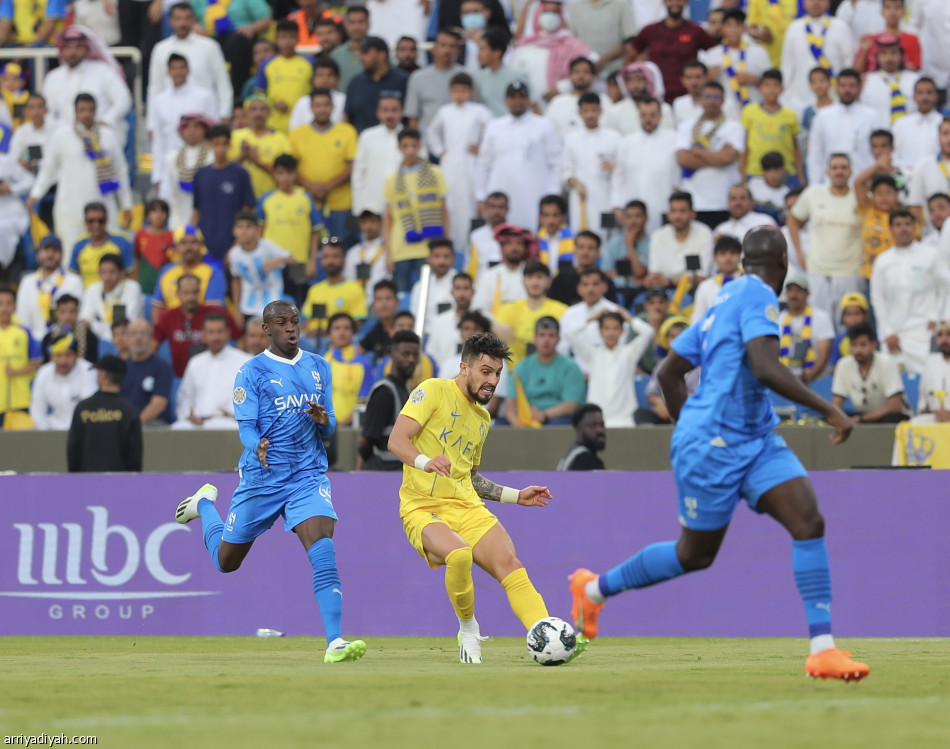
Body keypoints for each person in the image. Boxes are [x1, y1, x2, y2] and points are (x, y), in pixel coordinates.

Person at [569, 225, 870, 682]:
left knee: (808, 521)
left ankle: (823, 650)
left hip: (756, 437)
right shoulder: (760, 298)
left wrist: (690, 420)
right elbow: (765, 367)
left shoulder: (722, 303)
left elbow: (670, 372)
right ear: (784, 265)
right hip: (714, 444)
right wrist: (830, 409)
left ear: (744, 261)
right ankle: (592, 590)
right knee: (694, 555)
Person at [174, 300, 367, 664]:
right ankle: (204, 505)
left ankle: (335, 642)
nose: (291, 328)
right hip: (262, 478)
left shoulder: (318, 366)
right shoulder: (251, 372)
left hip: (306, 475)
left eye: (295, 322)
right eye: (281, 323)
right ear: (266, 329)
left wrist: (324, 420)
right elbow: (246, 428)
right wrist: (257, 443)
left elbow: (329, 428)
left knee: (322, 544)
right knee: (226, 562)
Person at [387, 331, 568, 664]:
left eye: (497, 374)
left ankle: (548, 635)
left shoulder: (483, 418)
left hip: (467, 506)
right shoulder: (433, 390)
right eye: (485, 371)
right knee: (458, 555)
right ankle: (468, 629)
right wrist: (428, 462)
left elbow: (470, 477)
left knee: (511, 565)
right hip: (422, 507)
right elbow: (397, 441)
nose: (492, 380)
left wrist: (516, 496)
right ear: (464, 368)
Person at [27, 94, 133, 256]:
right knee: (70, 251)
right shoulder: (61, 136)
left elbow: (120, 171)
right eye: (82, 110)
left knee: (108, 254)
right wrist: (35, 194)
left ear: (96, 111)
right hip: (70, 206)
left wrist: (126, 204)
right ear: (75, 112)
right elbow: (48, 169)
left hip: (102, 203)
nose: (86, 114)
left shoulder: (108, 136)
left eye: (90, 110)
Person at [786, 154, 863, 326]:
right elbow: (792, 219)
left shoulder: (860, 197)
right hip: (817, 271)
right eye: (835, 168)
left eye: (844, 168)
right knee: (818, 324)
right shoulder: (813, 194)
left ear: (851, 171)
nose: (839, 172)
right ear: (828, 171)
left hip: (850, 272)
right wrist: (800, 254)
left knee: (849, 326)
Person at [871, 210, 950, 376]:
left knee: (929, 381)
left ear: (915, 227)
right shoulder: (883, 261)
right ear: (891, 229)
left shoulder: (930, 255)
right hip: (894, 336)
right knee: (894, 384)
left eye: (908, 224)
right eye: (898, 225)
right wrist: (887, 333)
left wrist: (937, 318)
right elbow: (878, 300)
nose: (903, 229)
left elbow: (944, 288)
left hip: (924, 332)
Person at [477, 81, 561, 232]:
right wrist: (481, 195)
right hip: (501, 194)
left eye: (522, 97)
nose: (517, 101)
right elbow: (484, 164)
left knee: (535, 234)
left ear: (529, 100)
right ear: (505, 100)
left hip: (536, 193)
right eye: (513, 97)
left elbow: (556, 163)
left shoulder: (545, 125)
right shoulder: (494, 127)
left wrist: (553, 194)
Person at [426, 72, 492, 256]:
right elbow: (432, 132)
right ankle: (451, 247)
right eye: (455, 91)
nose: (459, 95)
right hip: (449, 164)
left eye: (463, 90)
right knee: (450, 205)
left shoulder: (479, 111)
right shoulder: (445, 111)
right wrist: (440, 151)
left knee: (470, 205)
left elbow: (492, 131)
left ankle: (470, 249)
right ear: (450, 93)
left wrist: (481, 149)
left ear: (471, 92)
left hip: (471, 164)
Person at [383, 128, 451, 293]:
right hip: (401, 247)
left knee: (427, 292)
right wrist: (388, 254)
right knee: (400, 294)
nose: (410, 150)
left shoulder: (435, 173)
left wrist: (446, 242)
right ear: (399, 148)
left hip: (428, 247)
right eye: (405, 146)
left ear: (419, 146)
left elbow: (444, 211)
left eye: (413, 145)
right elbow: (388, 219)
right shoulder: (391, 180)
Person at [566, 308, 655, 428]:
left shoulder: (629, 353)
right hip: (597, 419)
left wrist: (628, 318)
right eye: (606, 328)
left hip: (626, 419)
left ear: (622, 330)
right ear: (600, 331)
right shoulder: (593, 354)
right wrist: (591, 318)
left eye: (615, 328)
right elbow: (569, 333)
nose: (611, 333)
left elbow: (648, 332)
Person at [291, 89, 358, 244]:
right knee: (312, 246)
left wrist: (328, 187)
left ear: (333, 107)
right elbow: (290, 169)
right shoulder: (297, 134)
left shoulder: (347, 131)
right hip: (308, 202)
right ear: (311, 108)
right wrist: (311, 187)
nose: (322, 109)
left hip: (341, 204)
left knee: (339, 244)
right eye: (318, 105)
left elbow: (353, 165)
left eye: (326, 105)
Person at [676, 81, 745, 230]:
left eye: (716, 97)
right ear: (700, 99)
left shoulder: (734, 127)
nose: (711, 101)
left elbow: (729, 158)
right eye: (707, 97)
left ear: (723, 101)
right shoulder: (687, 127)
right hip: (694, 201)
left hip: (722, 200)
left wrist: (698, 152)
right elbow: (682, 158)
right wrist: (718, 157)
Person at [148, 3, 233, 124]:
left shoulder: (210, 46)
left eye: (187, 18)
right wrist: (151, 124)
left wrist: (225, 113)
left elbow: (223, 82)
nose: (182, 23)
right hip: (171, 118)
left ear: (193, 20)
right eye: (178, 18)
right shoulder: (160, 49)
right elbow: (155, 88)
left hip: (205, 118)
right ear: (170, 21)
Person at [257, 154, 322, 307]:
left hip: (298, 261)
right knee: (274, 304)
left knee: (296, 304)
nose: (284, 178)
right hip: (273, 263)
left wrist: (312, 261)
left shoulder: (305, 198)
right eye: (280, 173)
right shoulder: (266, 199)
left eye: (288, 173)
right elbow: (259, 232)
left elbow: (315, 231)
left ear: (294, 174)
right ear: (274, 174)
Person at [42, 27, 131, 139]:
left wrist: (106, 120)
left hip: (100, 134)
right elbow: (47, 111)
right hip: (64, 137)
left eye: (78, 47)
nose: (73, 52)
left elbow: (123, 100)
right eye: (68, 48)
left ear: (87, 48)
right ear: (62, 50)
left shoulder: (103, 71)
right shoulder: (53, 77)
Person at [611, 98, 679, 236]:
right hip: (632, 210)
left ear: (660, 116)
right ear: (638, 116)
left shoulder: (674, 139)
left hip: (663, 205)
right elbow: (618, 177)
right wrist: (616, 206)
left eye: (653, 115)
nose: (648, 119)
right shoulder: (626, 142)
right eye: (644, 115)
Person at [150, 54, 217, 193]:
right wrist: (157, 176)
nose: (178, 72)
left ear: (188, 70)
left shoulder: (204, 96)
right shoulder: (160, 100)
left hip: (200, 161)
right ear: (168, 72)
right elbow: (159, 140)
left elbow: (213, 132)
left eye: (182, 68)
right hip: (170, 164)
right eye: (174, 68)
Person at [172, 313, 252, 430]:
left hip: (229, 423)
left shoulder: (244, 362)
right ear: (204, 335)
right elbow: (184, 398)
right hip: (197, 424)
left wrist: (234, 415)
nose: (216, 337)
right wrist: (189, 415)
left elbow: (252, 399)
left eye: (220, 332)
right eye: (211, 332)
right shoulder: (195, 363)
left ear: (228, 333)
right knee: (176, 429)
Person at [806, 69, 883, 187]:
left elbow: (880, 153)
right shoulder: (823, 116)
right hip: (829, 186)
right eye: (843, 86)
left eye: (852, 86)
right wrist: (815, 185)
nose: (847, 90)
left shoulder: (872, 116)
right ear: (836, 88)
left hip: (863, 184)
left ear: (859, 88)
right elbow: (815, 155)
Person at [192, 125, 257, 262]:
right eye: (216, 144)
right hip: (206, 242)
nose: (220, 149)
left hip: (233, 244)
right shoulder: (201, 174)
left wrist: (237, 245)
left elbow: (246, 212)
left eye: (224, 144)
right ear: (209, 145)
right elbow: (197, 211)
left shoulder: (240, 174)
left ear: (230, 145)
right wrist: (193, 240)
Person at [357, 329, 420, 471]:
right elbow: (365, 442)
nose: (411, 359)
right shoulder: (384, 392)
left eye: (415, 355)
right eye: (405, 354)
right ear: (393, 356)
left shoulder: (407, 390)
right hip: (382, 475)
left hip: (398, 473)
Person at [67, 354, 142, 472]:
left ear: (104, 375)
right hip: (120, 482)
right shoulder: (129, 411)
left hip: (87, 481)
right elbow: (134, 453)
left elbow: (73, 449)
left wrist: (75, 478)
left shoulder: (83, 408)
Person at [506, 316, 585, 427]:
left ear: (558, 339)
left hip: (557, 418)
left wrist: (544, 415)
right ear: (535, 338)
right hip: (526, 418)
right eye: (542, 335)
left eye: (551, 335)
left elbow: (571, 405)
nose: (546, 340)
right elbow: (510, 405)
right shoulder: (522, 366)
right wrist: (518, 426)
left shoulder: (570, 367)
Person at [512, 0, 594, 107]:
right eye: (545, 12)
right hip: (532, 109)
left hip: (565, 105)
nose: (549, 17)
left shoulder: (572, 44)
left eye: (554, 12)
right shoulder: (525, 46)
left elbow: (592, 65)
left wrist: (564, 86)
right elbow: (515, 77)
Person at [780, 0, 854, 113]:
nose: (816, 2)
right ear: (803, 3)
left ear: (829, 2)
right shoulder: (794, 28)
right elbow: (787, 66)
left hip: (834, 99)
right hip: (800, 99)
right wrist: (785, 97)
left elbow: (848, 62)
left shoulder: (840, 27)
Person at [831, 322, 910, 424]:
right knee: (831, 419)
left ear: (873, 344)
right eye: (854, 345)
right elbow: (836, 405)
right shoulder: (843, 365)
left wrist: (862, 419)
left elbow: (895, 406)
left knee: (890, 420)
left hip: (888, 417)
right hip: (861, 415)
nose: (858, 350)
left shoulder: (886, 362)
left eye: (863, 345)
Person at [563, 94, 620, 235]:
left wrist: (612, 168)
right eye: (586, 111)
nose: (590, 115)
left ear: (600, 111)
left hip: (606, 197)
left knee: (606, 235)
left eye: (593, 110)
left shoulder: (614, 138)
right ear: (580, 113)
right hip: (580, 197)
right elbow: (565, 170)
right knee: (580, 235)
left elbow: (622, 171)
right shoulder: (571, 139)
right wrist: (576, 184)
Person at [493, 261, 567, 366]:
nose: (535, 282)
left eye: (539, 277)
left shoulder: (562, 311)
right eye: (530, 277)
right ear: (523, 281)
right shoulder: (508, 309)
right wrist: (492, 326)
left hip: (551, 370)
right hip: (514, 373)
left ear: (549, 282)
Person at [228, 212, 294, 322]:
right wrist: (236, 309)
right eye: (240, 227)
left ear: (257, 230)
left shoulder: (267, 245)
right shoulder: (234, 254)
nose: (244, 231)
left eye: (248, 227)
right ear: (234, 230)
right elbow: (236, 280)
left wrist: (278, 260)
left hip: (273, 298)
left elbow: (293, 260)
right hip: (249, 303)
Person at [15, 236, 83, 342]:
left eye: (55, 250)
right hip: (32, 342)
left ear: (62, 255)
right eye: (46, 250)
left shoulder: (74, 281)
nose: (50, 255)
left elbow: (77, 316)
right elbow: (22, 318)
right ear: (38, 255)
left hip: (65, 340)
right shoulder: (27, 282)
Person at [741, 69, 802, 186]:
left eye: (775, 85)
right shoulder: (749, 111)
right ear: (760, 88)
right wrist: (743, 173)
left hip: (785, 172)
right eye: (767, 85)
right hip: (756, 171)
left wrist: (800, 175)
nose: (771, 90)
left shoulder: (790, 115)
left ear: (782, 89)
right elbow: (744, 145)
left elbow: (796, 148)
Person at [405, 28, 467, 138]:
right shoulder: (418, 78)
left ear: (458, 51)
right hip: (427, 143)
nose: (447, 50)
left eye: (452, 46)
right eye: (443, 45)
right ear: (434, 48)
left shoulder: (466, 77)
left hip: (459, 142)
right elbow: (413, 118)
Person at [254, 20, 313, 135]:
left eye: (291, 36)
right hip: (274, 125)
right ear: (276, 40)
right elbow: (259, 95)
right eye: (283, 37)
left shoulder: (310, 63)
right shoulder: (267, 65)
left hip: (303, 124)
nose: (287, 41)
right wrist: (273, 104)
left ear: (298, 38)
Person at [351, 95, 406, 218]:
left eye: (394, 110)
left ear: (401, 113)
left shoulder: (411, 138)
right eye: (385, 110)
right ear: (378, 113)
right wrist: (360, 207)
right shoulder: (368, 136)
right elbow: (358, 174)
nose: (389, 115)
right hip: (373, 206)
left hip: (404, 206)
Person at [152, 226, 228, 313]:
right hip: (171, 324)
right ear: (176, 247)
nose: (189, 247)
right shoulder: (166, 271)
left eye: (193, 242)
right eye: (183, 243)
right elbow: (157, 308)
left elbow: (214, 310)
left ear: (201, 245)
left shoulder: (214, 272)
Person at [303, 238, 368, 339]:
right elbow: (307, 322)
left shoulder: (355, 289)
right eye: (326, 257)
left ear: (344, 260)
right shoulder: (315, 290)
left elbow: (357, 324)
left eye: (335, 256)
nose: (330, 261)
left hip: (339, 341)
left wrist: (327, 332)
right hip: (312, 340)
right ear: (321, 261)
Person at [30, 333, 97, 430]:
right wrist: (45, 435)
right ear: (51, 357)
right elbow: (37, 411)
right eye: (58, 355)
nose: (63, 361)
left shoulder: (88, 371)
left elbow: (90, 410)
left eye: (68, 355)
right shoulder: (43, 373)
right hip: (53, 430)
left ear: (77, 355)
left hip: (83, 431)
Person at [645, 191, 714, 287]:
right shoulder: (657, 236)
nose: (677, 216)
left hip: (692, 290)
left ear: (692, 214)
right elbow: (654, 275)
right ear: (668, 214)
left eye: (682, 211)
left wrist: (670, 282)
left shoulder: (704, 233)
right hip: (663, 291)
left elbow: (701, 278)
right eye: (673, 211)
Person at [343, 37, 409, 134]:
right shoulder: (355, 83)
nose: (362, 57)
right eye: (361, 53)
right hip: (363, 144)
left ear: (382, 55)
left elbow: (411, 117)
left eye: (366, 53)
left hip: (396, 144)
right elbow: (347, 118)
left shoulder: (403, 81)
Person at [778, 272, 835, 383]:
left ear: (807, 294)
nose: (793, 295)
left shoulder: (821, 317)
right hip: (784, 382)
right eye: (790, 290)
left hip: (814, 381)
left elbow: (823, 355)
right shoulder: (779, 318)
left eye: (798, 291)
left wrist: (806, 379)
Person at [68, 202, 136, 290]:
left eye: (100, 221)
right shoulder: (79, 244)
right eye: (91, 221)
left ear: (106, 220)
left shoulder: (122, 242)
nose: (96, 225)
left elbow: (131, 273)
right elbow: (73, 276)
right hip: (87, 298)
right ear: (85, 222)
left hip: (116, 297)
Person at [79, 254, 144, 343]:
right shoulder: (92, 289)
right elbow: (84, 321)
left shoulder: (133, 288)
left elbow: (127, 323)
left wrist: (95, 326)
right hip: (101, 340)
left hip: (128, 339)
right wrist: (101, 328)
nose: (107, 277)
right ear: (98, 273)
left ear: (122, 273)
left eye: (112, 272)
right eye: (103, 272)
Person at [0, 285, 41, 426]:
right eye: (0, 304)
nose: (4, 308)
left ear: (15, 307)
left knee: (19, 443)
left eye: (8, 303)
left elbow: (37, 361)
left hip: (20, 398)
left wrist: (17, 372)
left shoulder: (24, 332)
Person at [471, 224, 534, 316]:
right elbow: (479, 309)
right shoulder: (489, 275)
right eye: (509, 243)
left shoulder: (532, 275)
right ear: (502, 247)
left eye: (519, 243)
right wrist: (494, 325)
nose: (514, 248)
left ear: (525, 248)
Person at [122, 318, 175, 425]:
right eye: (133, 333)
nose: (138, 338)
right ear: (126, 339)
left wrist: (134, 425)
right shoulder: (120, 368)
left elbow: (158, 405)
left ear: (151, 339)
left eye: (143, 333)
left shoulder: (162, 368)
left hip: (153, 424)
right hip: (125, 424)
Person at [855, 0, 921, 75]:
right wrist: (864, 51)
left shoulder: (912, 39)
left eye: (897, 7)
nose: (893, 12)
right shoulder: (870, 40)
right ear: (882, 12)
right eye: (888, 7)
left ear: (903, 12)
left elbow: (914, 71)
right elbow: (857, 72)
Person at [477, 27, 529, 119]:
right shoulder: (480, 77)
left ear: (497, 52)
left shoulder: (518, 75)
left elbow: (533, 104)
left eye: (483, 49)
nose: (479, 53)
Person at [892, 77, 941, 174]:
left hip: (936, 177)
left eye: (929, 92)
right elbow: (894, 155)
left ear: (936, 96)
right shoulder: (901, 124)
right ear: (914, 96)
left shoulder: (944, 124)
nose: (925, 97)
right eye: (920, 93)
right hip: (906, 177)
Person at [690, 235, 743, 324]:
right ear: (715, 258)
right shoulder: (705, 287)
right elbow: (697, 320)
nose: (728, 258)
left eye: (733, 253)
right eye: (723, 253)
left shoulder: (748, 283)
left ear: (739, 257)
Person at [409, 239, 458, 333]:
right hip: (423, 335)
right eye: (437, 256)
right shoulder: (420, 286)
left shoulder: (461, 284)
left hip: (450, 334)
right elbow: (414, 315)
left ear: (453, 260)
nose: (442, 261)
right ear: (429, 259)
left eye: (446, 256)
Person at [289, 57, 347, 132]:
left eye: (329, 75)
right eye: (320, 75)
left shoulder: (344, 100)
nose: (325, 80)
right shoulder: (303, 101)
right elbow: (294, 129)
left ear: (337, 79)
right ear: (312, 80)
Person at [545, 57, 597, 139]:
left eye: (585, 72)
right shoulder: (558, 102)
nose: (581, 76)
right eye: (577, 72)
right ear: (570, 75)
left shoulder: (603, 100)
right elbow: (547, 130)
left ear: (592, 75)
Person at [41, 294, 99, 366]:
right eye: (63, 312)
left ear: (77, 313)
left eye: (71, 312)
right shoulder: (48, 338)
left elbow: (92, 363)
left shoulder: (89, 337)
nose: (67, 316)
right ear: (56, 314)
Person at [134, 199, 176, 295]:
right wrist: (135, 282)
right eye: (154, 211)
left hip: (164, 286)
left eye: (163, 211)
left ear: (167, 216)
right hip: (143, 286)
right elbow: (136, 259)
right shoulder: (140, 235)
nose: (159, 215)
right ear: (148, 216)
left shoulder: (173, 236)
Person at [713, 185, 779, 242]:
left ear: (752, 203)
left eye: (743, 198)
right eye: (733, 198)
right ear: (727, 204)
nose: (737, 203)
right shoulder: (721, 229)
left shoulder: (765, 222)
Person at [556, 403, 606, 471]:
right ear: (578, 429)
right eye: (592, 425)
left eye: (601, 425)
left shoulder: (574, 454)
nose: (599, 430)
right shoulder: (583, 459)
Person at [333, 6, 371, 92]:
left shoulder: (378, 52)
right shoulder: (336, 55)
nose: (357, 27)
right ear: (345, 25)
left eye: (361, 22)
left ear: (368, 23)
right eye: (352, 22)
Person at [918, 321, 950, 419]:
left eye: (949, 334)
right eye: (940, 335)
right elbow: (923, 400)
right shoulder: (930, 364)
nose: (944, 339)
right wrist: (925, 409)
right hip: (935, 418)